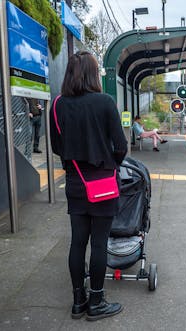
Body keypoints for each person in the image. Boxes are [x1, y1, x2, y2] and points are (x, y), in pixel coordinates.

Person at [50, 51, 127, 321]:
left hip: (75, 181)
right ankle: (96, 301)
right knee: (100, 243)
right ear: (94, 74)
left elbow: (56, 147)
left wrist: (76, 165)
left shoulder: (57, 104)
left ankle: (78, 301)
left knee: (77, 243)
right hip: (103, 183)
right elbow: (121, 146)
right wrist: (109, 163)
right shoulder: (105, 102)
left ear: (69, 73)